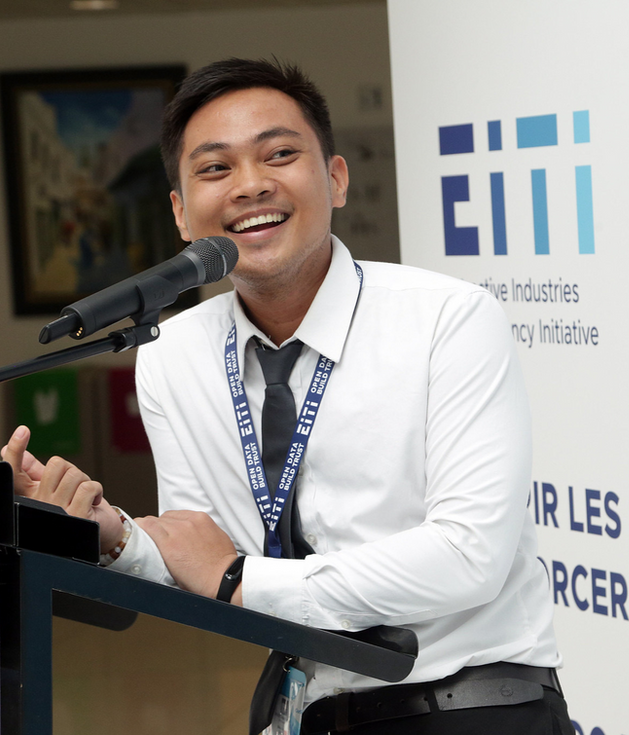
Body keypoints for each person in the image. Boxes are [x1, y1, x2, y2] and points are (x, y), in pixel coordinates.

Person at [1, 58, 572, 735]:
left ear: (336, 178)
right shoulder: (171, 355)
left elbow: (469, 555)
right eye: (216, 168)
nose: (250, 185)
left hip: (469, 708)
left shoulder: (448, 319)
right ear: (181, 213)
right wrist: (112, 534)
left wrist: (239, 578)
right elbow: (199, 557)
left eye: (278, 154)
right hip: (303, 713)